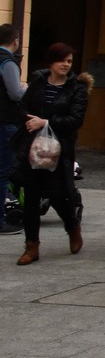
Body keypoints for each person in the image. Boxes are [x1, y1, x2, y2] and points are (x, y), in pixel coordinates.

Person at [13, 43, 89, 264]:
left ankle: (72, 227)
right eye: (62, 60)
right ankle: (31, 246)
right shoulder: (38, 82)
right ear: (51, 62)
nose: (66, 65)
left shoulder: (77, 88)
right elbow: (22, 107)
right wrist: (29, 121)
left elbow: (76, 120)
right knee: (31, 197)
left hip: (59, 150)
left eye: (69, 61)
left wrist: (46, 122)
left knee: (57, 195)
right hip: (33, 148)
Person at [0, 23, 27, 236]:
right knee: (2, 172)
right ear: (15, 41)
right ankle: (1, 221)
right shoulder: (8, 62)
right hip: (5, 121)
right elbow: (15, 94)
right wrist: (25, 88)